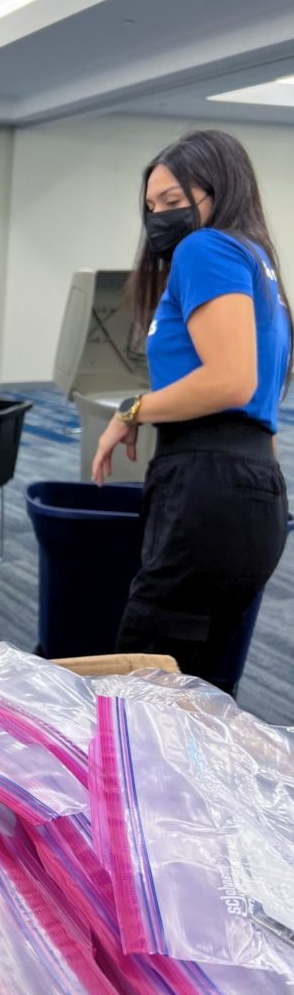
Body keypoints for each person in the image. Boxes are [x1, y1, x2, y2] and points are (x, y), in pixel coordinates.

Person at [92, 129, 290, 692]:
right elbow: (260, 404)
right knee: (202, 697)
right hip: (253, 490)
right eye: (151, 207)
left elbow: (231, 380)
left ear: (218, 191)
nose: (159, 218)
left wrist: (131, 409)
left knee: (145, 687)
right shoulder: (259, 264)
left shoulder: (206, 249)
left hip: (207, 484)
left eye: (173, 203)